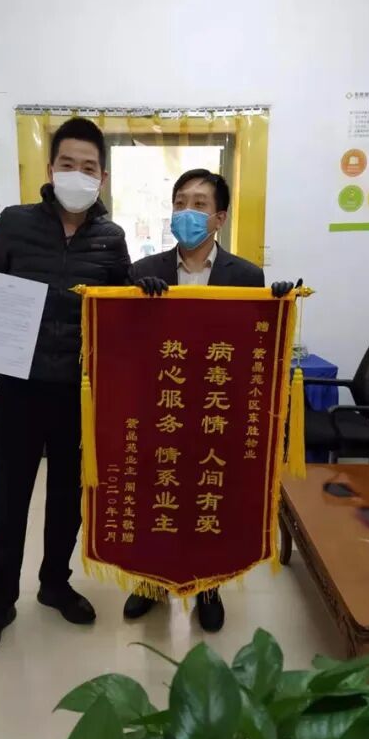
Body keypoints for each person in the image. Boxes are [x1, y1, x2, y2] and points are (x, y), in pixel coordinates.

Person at [0, 117, 167, 659]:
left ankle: (54, 583)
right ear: (51, 169)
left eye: (89, 167)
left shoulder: (111, 237)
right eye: (68, 163)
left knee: (68, 496)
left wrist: (141, 289)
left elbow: (121, 304)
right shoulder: (15, 222)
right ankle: (0, 599)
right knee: (9, 496)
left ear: (102, 177)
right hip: (20, 386)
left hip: (80, 391)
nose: (78, 173)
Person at [125, 168, 299, 632]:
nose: (187, 211)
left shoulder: (246, 275)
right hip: (160, 408)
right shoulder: (143, 272)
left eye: (199, 204)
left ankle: (208, 585)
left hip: (214, 410)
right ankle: (151, 583)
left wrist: (277, 304)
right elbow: (126, 341)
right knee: (157, 496)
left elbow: (254, 345)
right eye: (180, 202)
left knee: (207, 497)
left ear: (219, 218)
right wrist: (137, 300)